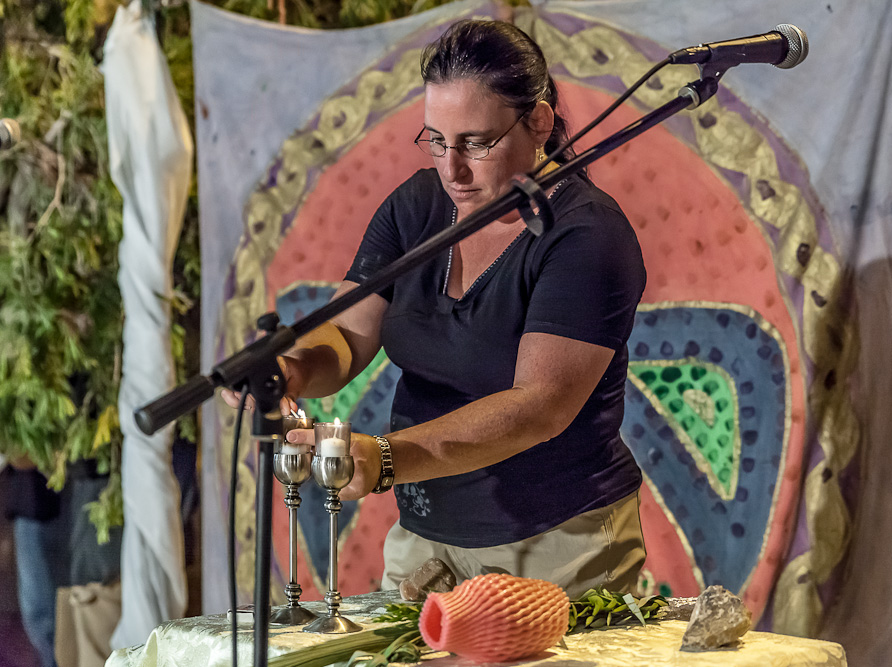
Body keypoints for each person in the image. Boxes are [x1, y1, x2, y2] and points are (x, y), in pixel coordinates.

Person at [226, 19, 647, 597]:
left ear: (540, 122)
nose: (453, 169)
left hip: (554, 544)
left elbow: (539, 407)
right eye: (437, 140)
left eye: (477, 142)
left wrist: (385, 457)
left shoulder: (587, 235)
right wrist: (291, 369)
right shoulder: (417, 207)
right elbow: (346, 337)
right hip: (426, 535)